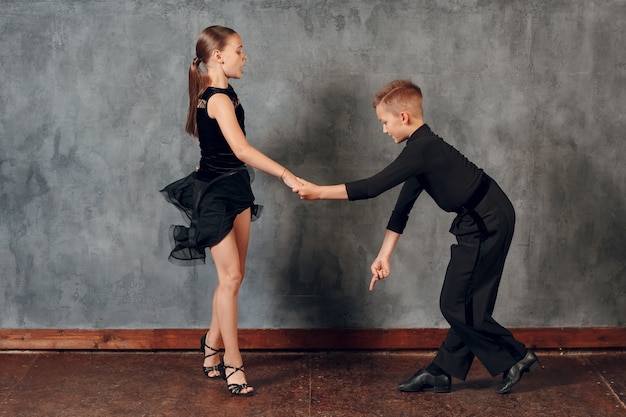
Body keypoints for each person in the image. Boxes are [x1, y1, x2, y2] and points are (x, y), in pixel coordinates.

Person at [292, 80, 538, 394]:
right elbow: (401, 208)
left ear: (404, 117)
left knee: (456, 304)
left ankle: (517, 356)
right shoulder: (420, 150)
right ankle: (441, 371)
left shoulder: (425, 148)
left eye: (384, 122)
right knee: (469, 305)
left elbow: (372, 187)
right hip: (480, 219)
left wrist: (318, 192)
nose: (383, 130)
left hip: (487, 221)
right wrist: (384, 254)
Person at [161, 25, 300, 397]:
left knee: (232, 278)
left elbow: (217, 145)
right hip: (216, 196)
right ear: (218, 56)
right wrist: (286, 174)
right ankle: (231, 362)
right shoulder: (217, 98)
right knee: (232, 277)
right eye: (239, 50)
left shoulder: (224, 92)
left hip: (236, 186)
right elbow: (240, 149)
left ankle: (209, 347)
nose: (245, 56)